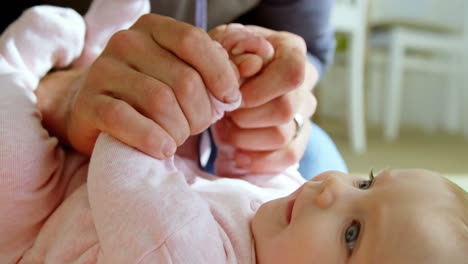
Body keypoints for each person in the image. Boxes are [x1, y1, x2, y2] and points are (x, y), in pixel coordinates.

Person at [1, 6, 467, 263]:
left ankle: (19, 59)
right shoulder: (286, 225)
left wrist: (193, 95)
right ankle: (102, 46)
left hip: (33, 224)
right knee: (311, 154)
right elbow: (250, 171)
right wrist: (239, 88)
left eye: (351, 235)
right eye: (365, 181)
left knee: (11, 150)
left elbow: (126, 174)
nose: (331, 188)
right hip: (86, 195)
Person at [3, 0, 347, 180]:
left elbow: (310, 48)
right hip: (29, 93)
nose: (329, 195)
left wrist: (283, 97)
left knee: (315, 156)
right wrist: (58, 93)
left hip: (209, 135)